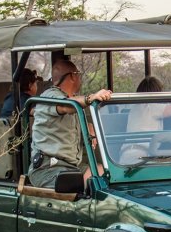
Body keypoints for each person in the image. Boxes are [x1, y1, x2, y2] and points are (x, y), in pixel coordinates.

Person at [28, 54, 112, 187]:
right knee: (90, 186)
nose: (80, 77)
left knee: (105, 174)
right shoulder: (51, 96)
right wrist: (91, 98)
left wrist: (90, 127)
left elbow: (73, 115)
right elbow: (65, 106)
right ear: (73, 76)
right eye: (78, 74)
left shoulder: (71, 99)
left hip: (71, 167)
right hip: (48, 170)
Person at [119, 76, 171, 163]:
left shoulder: (137, 107)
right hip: (138, 156)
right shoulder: (150, 106)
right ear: (156, 93)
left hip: (129, 154)